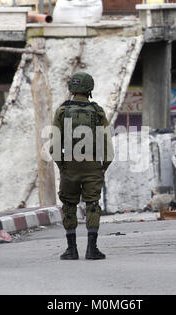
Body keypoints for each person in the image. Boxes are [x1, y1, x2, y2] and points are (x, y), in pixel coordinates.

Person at [51, 72, 113, 260]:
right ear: (89, 89)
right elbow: (107, 143)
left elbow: (54, 143)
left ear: (71, 89)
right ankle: (91, 249)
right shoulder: (98, 111)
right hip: (93, 163)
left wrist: (62, 164)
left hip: (69, 163)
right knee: (92, 204)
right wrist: (103, 165)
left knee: (69, 204)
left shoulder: (62, 111)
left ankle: (71, 249)